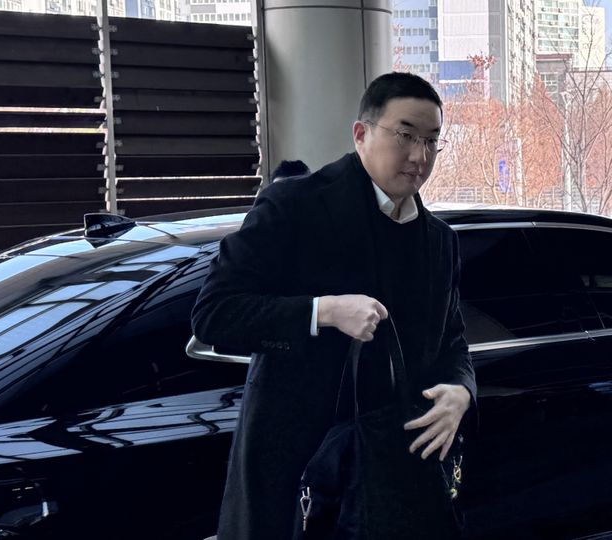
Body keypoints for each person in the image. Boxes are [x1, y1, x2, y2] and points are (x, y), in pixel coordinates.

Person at [191, 72, 477, 540]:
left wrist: (461, 392)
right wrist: (321, 312)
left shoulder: (439, 241)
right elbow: (215, 315)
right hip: (297, 475)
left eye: (431, 141)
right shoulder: (295, 206)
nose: (419, 156)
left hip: (396, 479)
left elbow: (453, 341)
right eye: (405, 135)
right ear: (361, 133)